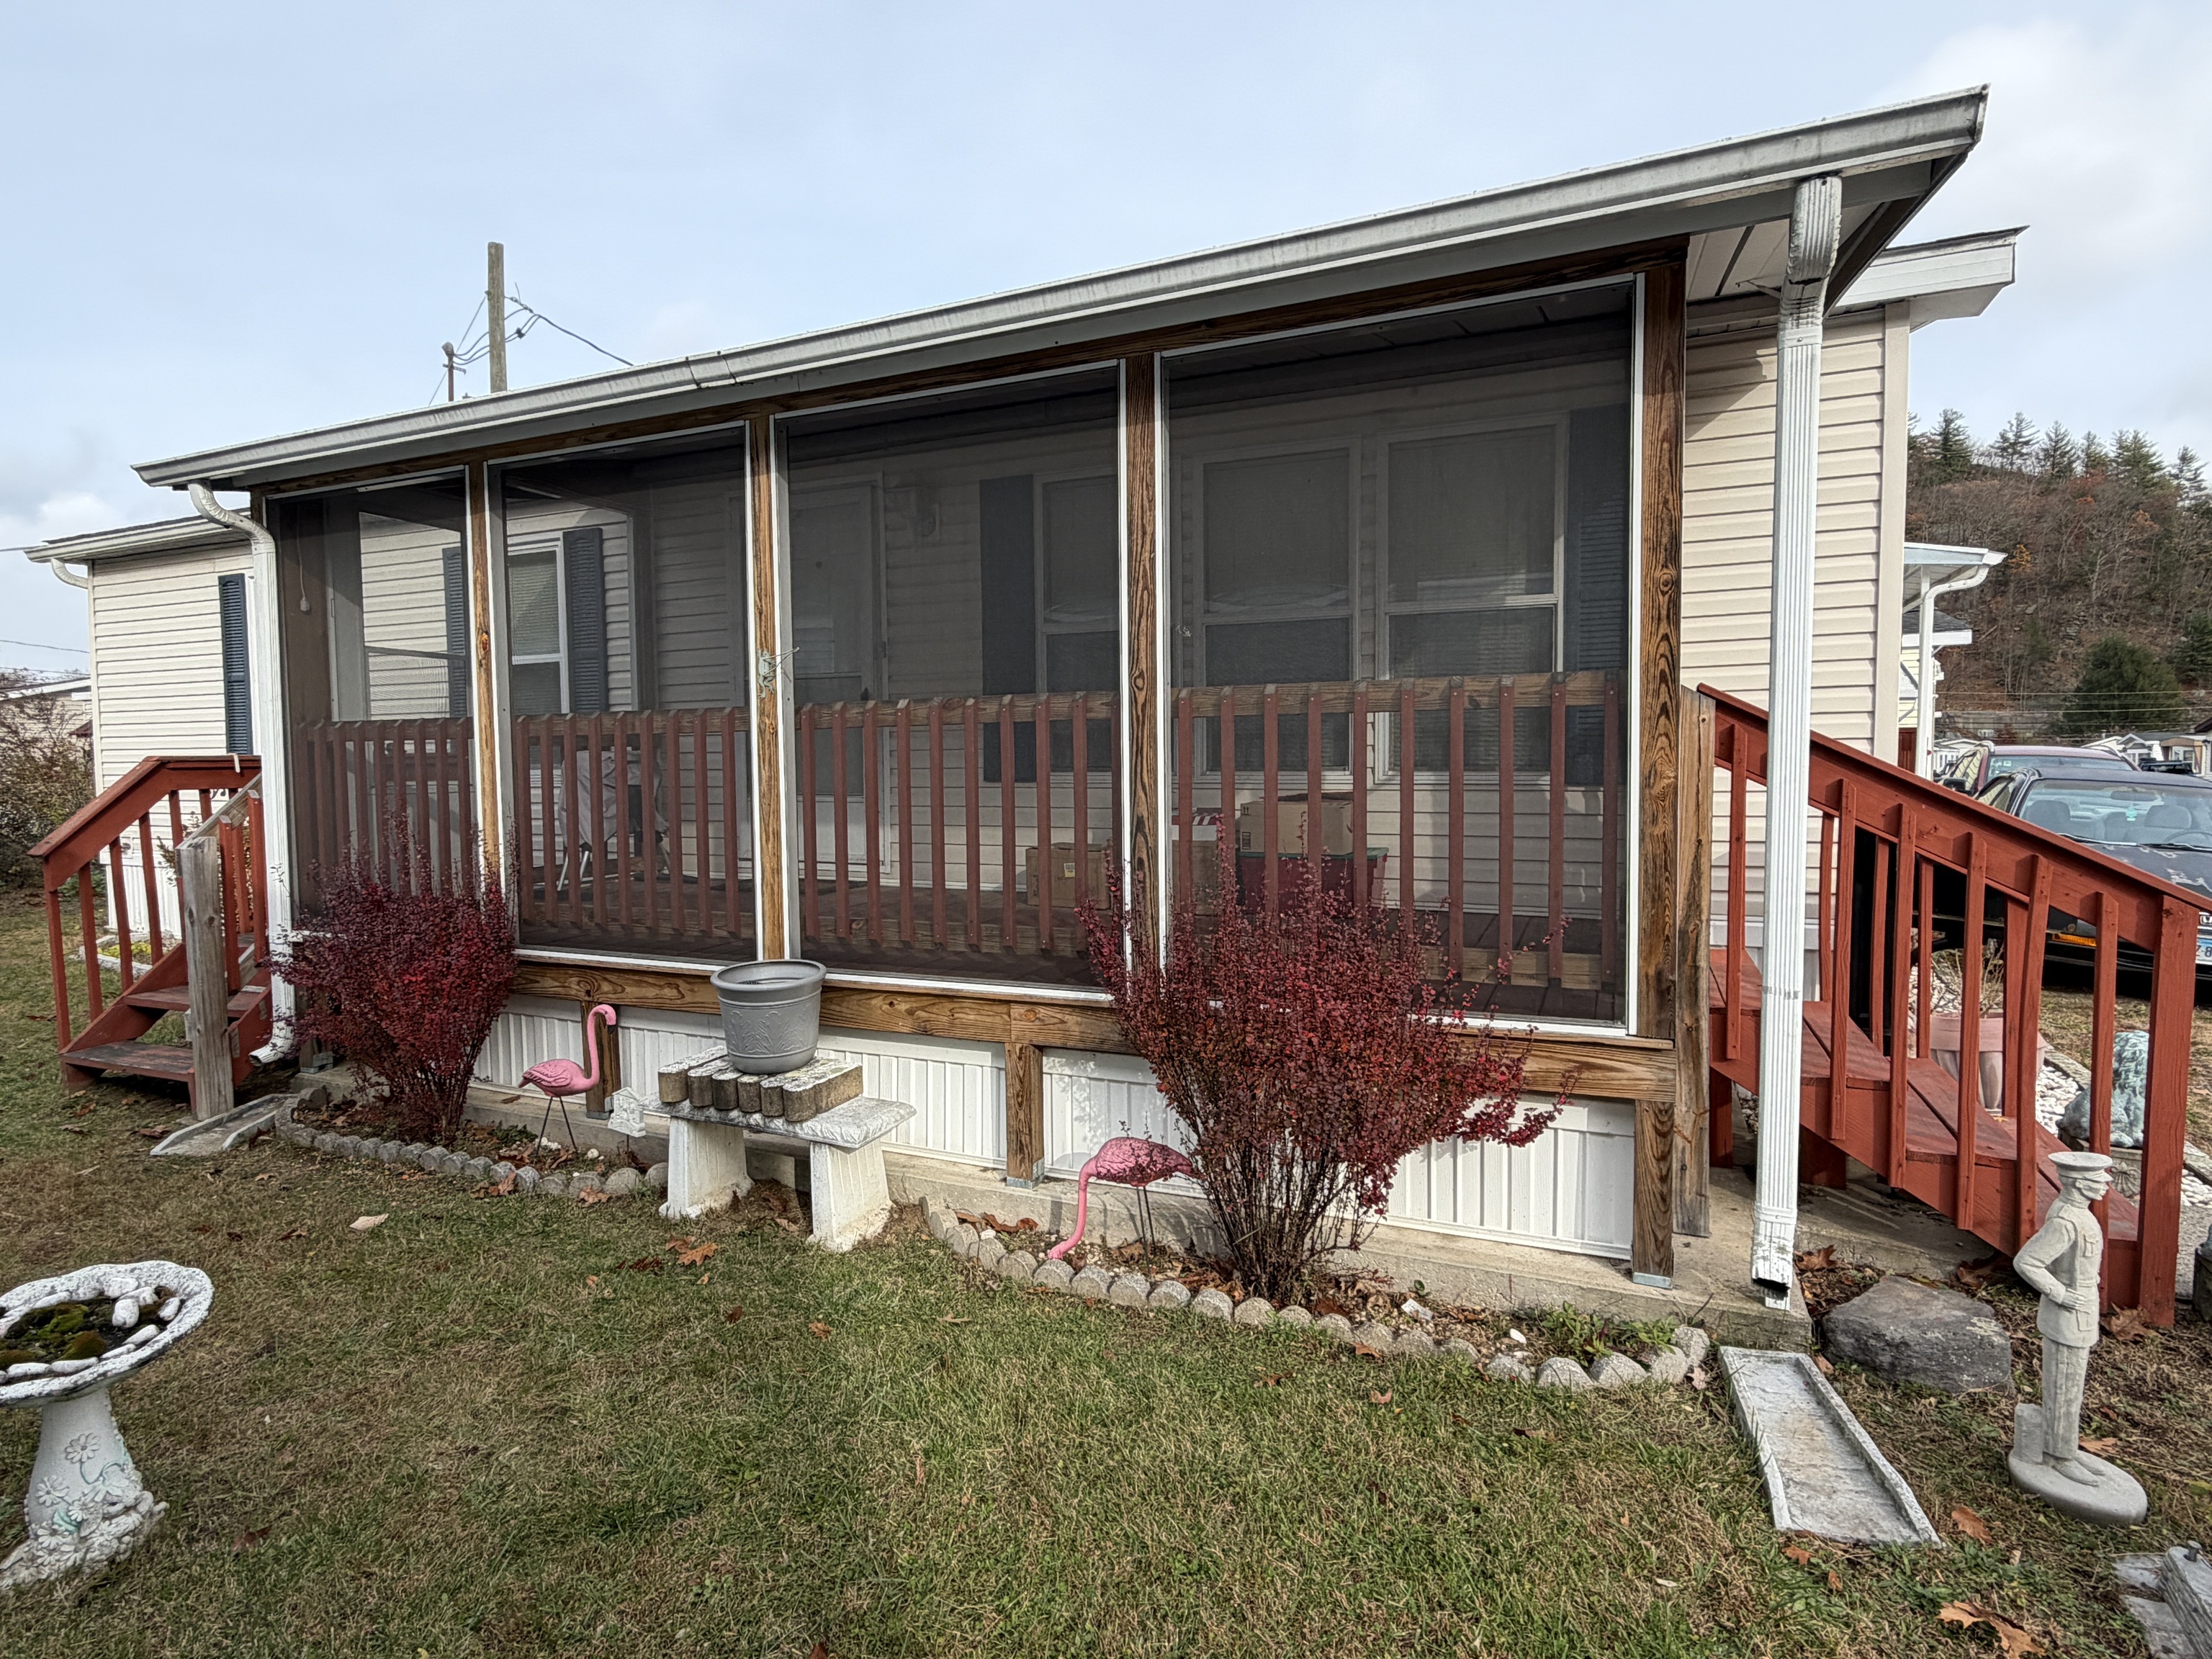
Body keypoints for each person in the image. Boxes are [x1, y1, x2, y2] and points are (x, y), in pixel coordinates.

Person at [2010, 1151, 2113, 1484]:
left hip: (2082, 1310)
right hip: (2067, 1315)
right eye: (2099, 1180)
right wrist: (2061, 1294)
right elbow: (2027, 1262)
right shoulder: (2066, 1221)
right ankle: (2058, 1455)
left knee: (2072, 1386)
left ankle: (2066, 1448)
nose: (2107, 1184)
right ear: (2079, 1184)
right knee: (2063, 1385)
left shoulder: (2080, 1216)